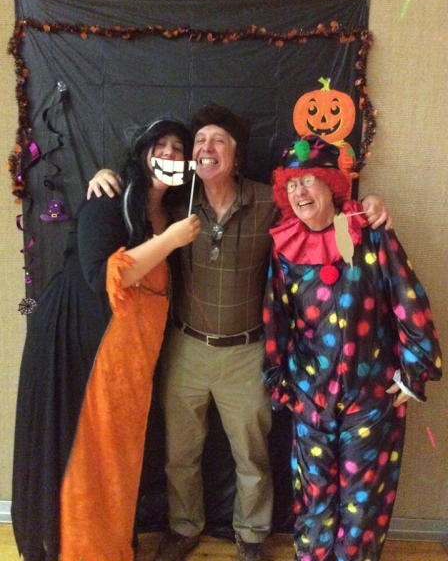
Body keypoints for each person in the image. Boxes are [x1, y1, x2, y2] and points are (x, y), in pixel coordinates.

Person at [87, 103, 390, 561]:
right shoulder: (175, 202)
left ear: (236, 155)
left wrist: (366, 203)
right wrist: (102, 174)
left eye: (218, 140)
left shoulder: (268, 201)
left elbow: (320, 211)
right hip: (185, 347)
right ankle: (183, 527)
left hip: (247, 352)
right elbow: (134, 193)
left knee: (252, 455)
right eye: (199, 142)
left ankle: (251, 534)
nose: (206, 148)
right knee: (179, 453)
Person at [11, 119, 201, 561]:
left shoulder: (174, 212)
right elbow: (104, 275)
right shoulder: (110, 197)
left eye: (178, 149)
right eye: (160, 146)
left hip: (129, 360)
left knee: (118, 456)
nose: (169, 154)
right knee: (85, 453)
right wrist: (169, 241)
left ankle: (110, 542)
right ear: (142, 153)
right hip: (81, 345)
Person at [263, 135, 442, 561]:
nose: (300, 191)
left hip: (371, 396)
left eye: (308, 180)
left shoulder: (371, 233)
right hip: (310, 395)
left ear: (331, 184)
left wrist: (414, 371)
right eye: (292, 184)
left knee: (363, 504)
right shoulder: (285, 248)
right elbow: (276, 316)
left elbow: (408, 300)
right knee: (313, 499)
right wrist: (280, 379)